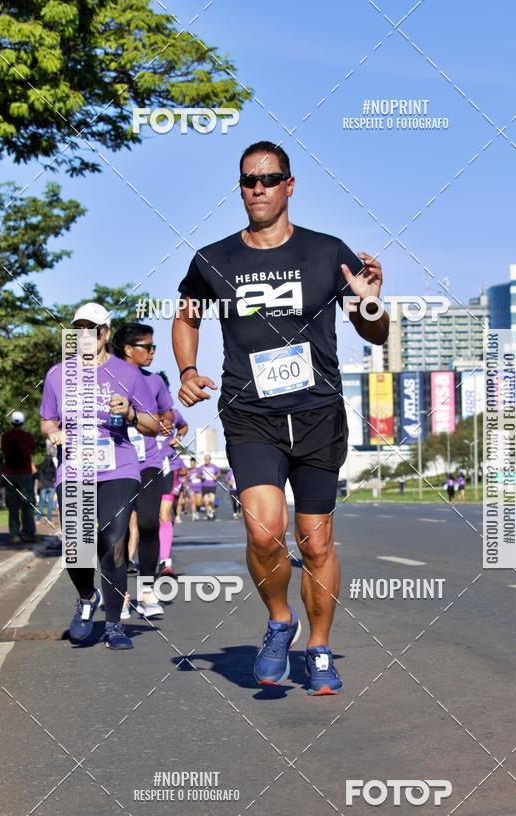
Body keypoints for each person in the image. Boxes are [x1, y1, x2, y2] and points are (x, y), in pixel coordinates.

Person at [174, 140, 389, 695]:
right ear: (240, 188)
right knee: (264, 529)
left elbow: (375, 333)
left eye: (269, 179)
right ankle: (278, 620)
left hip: (317, 414)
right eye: (249, 180)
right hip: (251, 414)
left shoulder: (326, 252)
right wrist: (188, 369)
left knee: (316, 542)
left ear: (289, 185)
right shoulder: (213, 260)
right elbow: (186, 316)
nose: (259, 188)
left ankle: (318, 648)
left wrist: (369, 301)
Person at [39, 302, 159, 650]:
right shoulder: (57, 374)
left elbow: (154, 425)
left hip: (118, 465)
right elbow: (47, 419)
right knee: (77, 546)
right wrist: (53, 433)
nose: (84, 335)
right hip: (75, 465)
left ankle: (114, 625)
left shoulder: (128, 373)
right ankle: (87, 596)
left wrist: (132, 413)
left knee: (114, 541)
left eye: (91, 329)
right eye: (78, 329)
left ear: (105, 333)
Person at [111, 322, 175, 619]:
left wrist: (166, 422)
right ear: (128, 349)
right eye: (147, 347)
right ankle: (120, 594)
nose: (152, 352)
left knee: (149, 523)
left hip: (149, 462)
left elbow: (167, 412)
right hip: (116, 464)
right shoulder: (107, 377)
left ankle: (147, 591)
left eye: (154, 347)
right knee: (119, 529)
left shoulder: (155, 381)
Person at [156, 404, 188, 577]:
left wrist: (179, 436)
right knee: (142, 520)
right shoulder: (138, 411)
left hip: (168, 468)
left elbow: (183, 426)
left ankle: (165, 561)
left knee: (164, 515)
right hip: (143, 467)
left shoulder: (173, 414)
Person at [1, 411, 38, 544]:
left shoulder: (5, 436)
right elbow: (31, 450)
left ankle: (14, 534)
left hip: (9, 474)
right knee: (28, 504)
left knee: (13, 505)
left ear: (11, 422)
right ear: (22, 422)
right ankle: (29, 533)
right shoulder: (28, 436)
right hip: (25, 473)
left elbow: (4, 450)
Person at [35, 450, 57, 523]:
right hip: (51, 487)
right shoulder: (53, 468)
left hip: (43, 487)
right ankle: (49, 519)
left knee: (41, 503)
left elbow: (39, 477)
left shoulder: (41, 468)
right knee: (50, 503)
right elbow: (56, 477)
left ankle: (38, 519)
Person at [198, 454, 220, 521]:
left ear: (210, 460)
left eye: (207, 459)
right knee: (206, 502)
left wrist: (216, 476)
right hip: (204, 486)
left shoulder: (214, 466)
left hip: (212, 485)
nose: (206, 460)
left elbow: (218, 473)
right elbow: (197, 475)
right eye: (205, 459)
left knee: (211, 500)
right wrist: (201, 476)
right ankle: (209, 514)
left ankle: (212, 512)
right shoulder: (201, 467)